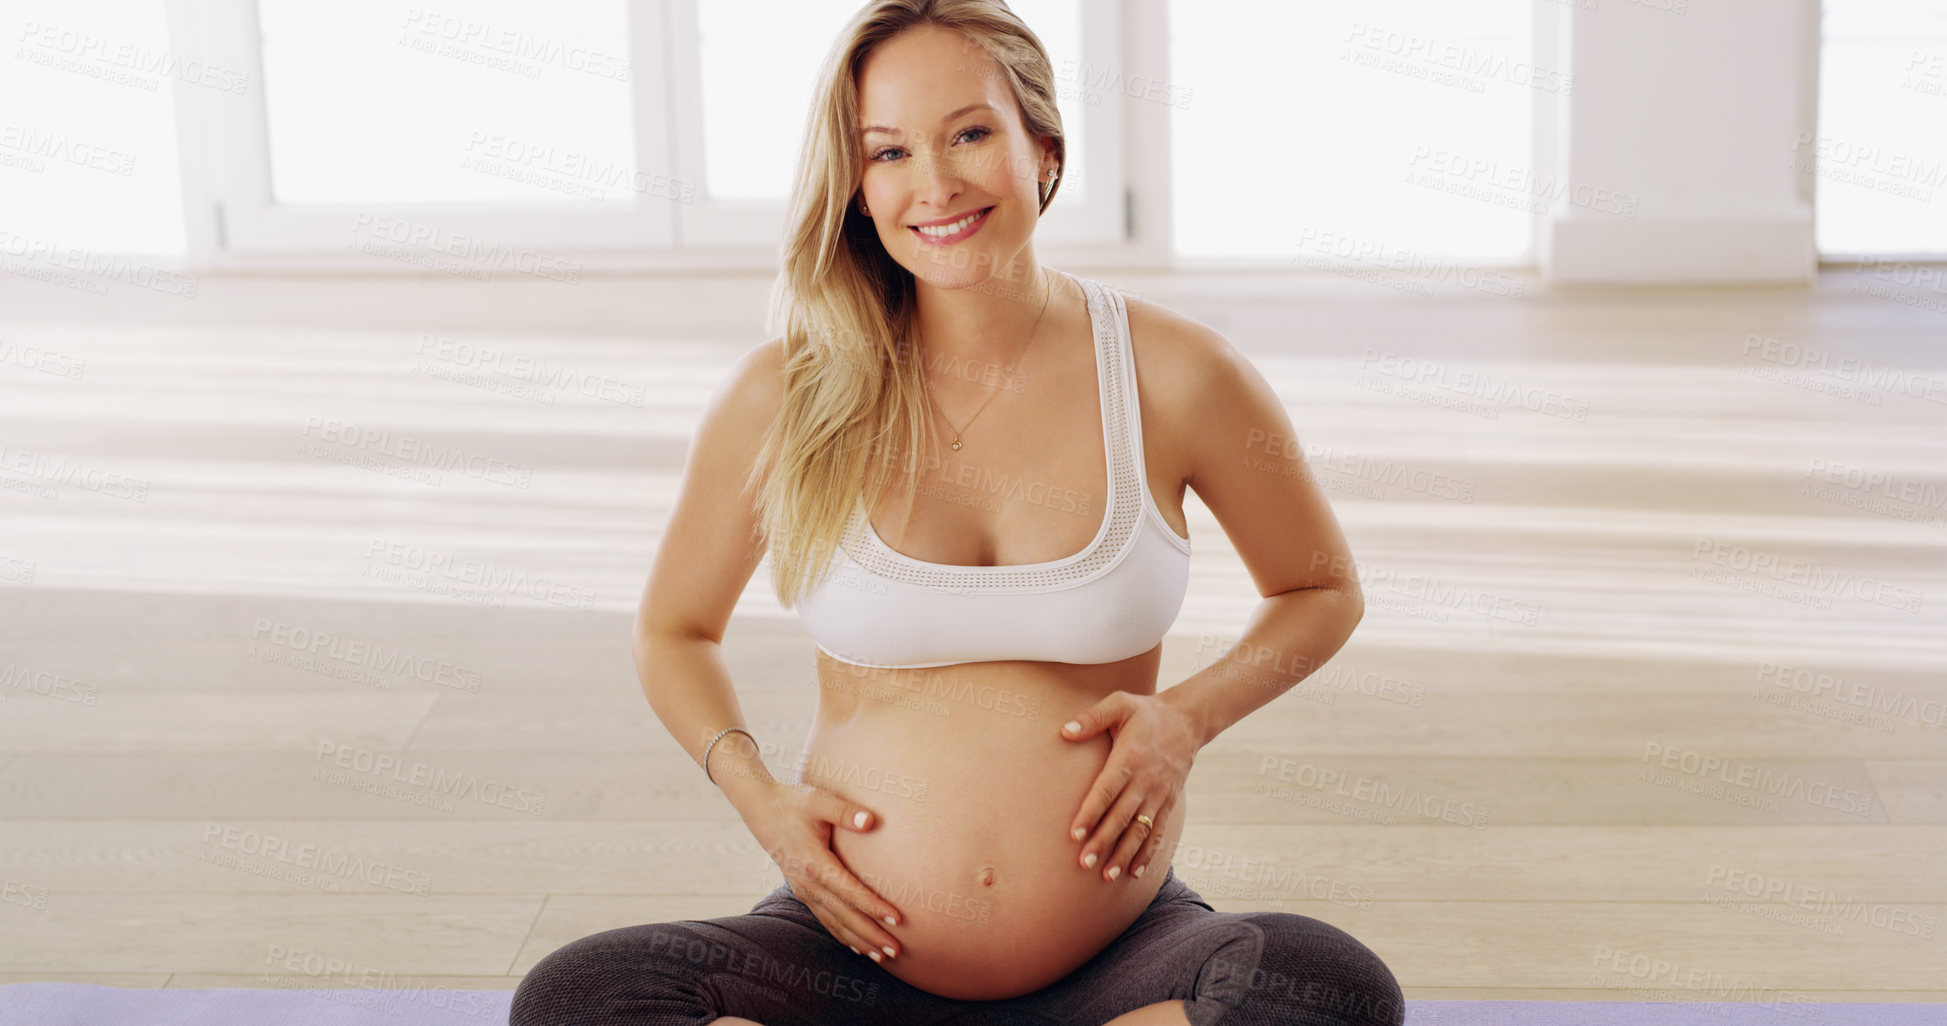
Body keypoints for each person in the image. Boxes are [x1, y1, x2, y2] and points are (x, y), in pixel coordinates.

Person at [510, 2, 1404, 1023]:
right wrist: (764, 804)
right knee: (580, 998)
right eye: (887, 152)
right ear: (855, 188)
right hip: (842, 955)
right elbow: (674, 630)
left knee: (1325, 989)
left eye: (970, 133)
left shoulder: (1178, 374)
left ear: (1044, 149)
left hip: (1118, 959)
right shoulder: (785, 393)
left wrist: (1184, 721)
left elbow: (1320, 590)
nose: (933, 184)